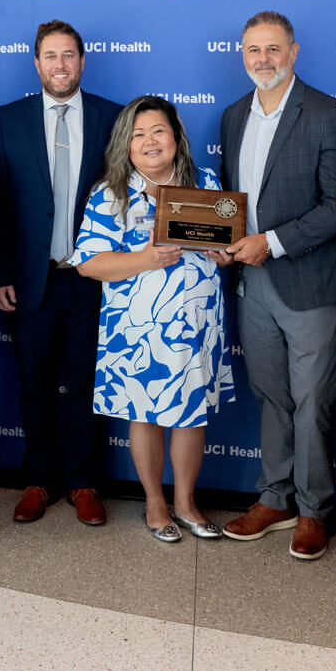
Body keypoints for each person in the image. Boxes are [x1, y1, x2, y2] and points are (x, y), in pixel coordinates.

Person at [217, 11, 336, 560]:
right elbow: (232, 204)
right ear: (242, 55)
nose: (263, 60)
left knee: (314, 398)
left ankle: (314, 508)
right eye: (254, 50)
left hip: (309, 283)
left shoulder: (327, 114)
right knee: (270, 395)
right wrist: (227, 242)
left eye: (273, 49)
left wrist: (270, 242)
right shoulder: (234, 115)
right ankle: (275, 498)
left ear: (294, 52)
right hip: (251, 283)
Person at [74, 96, 234, 542]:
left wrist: (225, 254)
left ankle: (185, 503)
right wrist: (144, 259)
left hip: (197, 322)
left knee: (191, 415)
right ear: (125, 144)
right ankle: (154, 503)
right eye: (139, 134)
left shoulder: (205, 182)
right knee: (144, 414)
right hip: (138, 329)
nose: (150, 141)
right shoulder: (111, 193)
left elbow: (223, 247)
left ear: (176, 137)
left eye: (158, 131)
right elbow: (87, 263)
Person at [0, 20, 123, 527]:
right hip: (31, 278)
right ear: (36, 64)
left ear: (82, 61)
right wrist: (1, 272)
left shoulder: (113, 116)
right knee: (34, 383)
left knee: (86, 384)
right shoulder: (9, 119)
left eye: (68, 55)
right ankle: (39, 480)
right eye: (50, 56)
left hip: (93, 277)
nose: (60, 65)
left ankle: (84, 482)